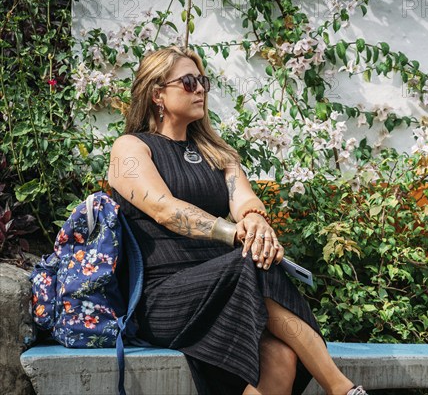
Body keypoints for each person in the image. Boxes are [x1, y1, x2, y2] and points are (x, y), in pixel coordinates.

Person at [108, 45, 369, 395]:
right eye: (188, 81)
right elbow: (164, 209)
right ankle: (342, 389)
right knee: (251, 261)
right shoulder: (131, 148)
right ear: (157, 93)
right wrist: (236, 234)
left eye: (203, 80)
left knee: (281, 356)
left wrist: (256, 222)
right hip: (165, 297)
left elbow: (244, 197)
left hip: (231, 289)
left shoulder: (218, 153)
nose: (200, 88)